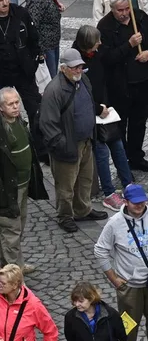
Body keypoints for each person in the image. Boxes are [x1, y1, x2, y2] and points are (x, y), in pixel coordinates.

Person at [94, 184, 148, 341]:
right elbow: (100, 250)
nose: (139, 205)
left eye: (142, 202)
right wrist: (115, 280)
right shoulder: (114, 223)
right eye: (135, 202)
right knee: (127, 329)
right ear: (125, 201)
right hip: (130, 287)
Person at [40, 49, 109, 232]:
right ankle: (64, 216)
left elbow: (87, 103)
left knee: (84, 179)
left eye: (80, 67)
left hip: (85, 141)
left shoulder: (83, 81)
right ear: (63, 69)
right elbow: (48, 123)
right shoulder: (54, 90)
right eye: (74, 68)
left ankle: (82, 209)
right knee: (66, 185)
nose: (78, 70)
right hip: (67, 145)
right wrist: (62, 145)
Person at [97, 0, 148, 174]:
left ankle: (136, 157)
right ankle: (122, 163)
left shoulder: (139, 16)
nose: (125, 13)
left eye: (127, 9)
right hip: (119, 86)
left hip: (141, 81)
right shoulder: (105, 27)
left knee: (139, 122)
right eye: (120, 10)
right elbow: (107, 57)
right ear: (112, 9)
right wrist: (129, 44)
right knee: (120, 125)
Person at [73, 24, 134, 208]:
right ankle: (108, 192)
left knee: (118, 146)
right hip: (92, 114)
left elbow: (109, 63)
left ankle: (128, 184)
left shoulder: (97, 54)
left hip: (105, 109)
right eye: (96, 41)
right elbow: (78, 95)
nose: (100, 43)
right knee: (101, 152)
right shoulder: (77, 62)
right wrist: (97, 109)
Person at [0, 87, 47, 271]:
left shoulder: (19, 120)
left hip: (23, 184)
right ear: (1, 108)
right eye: (10, 104)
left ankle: (14, 265)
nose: (15, 106)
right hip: (8, 190)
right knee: (11, 230)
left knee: (19, 225)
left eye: (16, 102)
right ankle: (12, 275)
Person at [0, 0, 43, 142]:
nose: (4, 3)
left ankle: (40, 148)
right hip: (2, 72)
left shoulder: (20, 13)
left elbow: (34, 39)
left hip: (24, 71)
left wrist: (33, 62)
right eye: (0, 0)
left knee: (35, 109)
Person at [23, 0, 63, 77]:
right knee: (50, 77)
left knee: (53, 73)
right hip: (46, 46)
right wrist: (39, 51)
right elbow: (33, 25)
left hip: (53, 42)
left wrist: (56, 6)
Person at [0, 265, 58, 341]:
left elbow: (51, 332)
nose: (0, 285)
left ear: (14, 285)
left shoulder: (33, 305)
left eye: (3, 283)